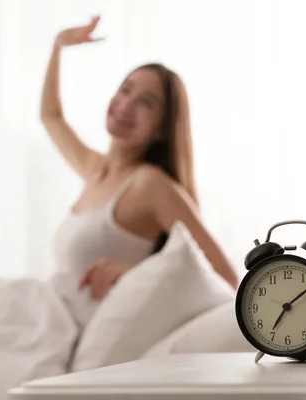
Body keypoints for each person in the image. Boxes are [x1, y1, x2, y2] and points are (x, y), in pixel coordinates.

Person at [40, 16, 239, 328]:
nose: (126, 104)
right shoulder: (95, 169)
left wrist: (134, 276)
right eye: (125, 89)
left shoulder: (150, 185)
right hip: (54, 321)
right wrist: (57, 47)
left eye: (146, 102)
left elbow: (226, 281)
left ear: (162, 128)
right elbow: (51, 117)